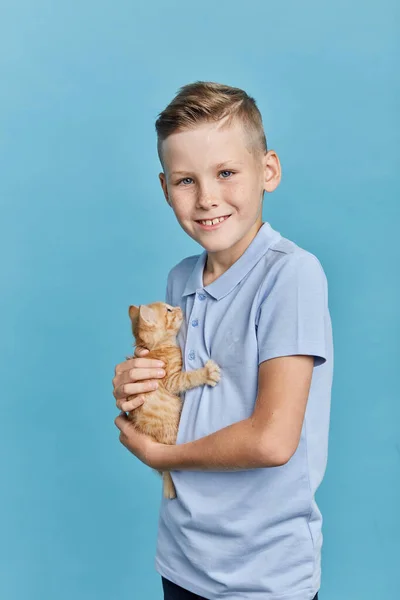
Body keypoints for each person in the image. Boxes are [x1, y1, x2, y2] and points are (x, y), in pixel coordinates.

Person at [113, 81, 333, 600]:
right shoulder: (179, 281)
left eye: (227, 173)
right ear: (165, 188)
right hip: (184, 556)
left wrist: (162, 458)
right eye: (186, 180)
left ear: (269, 171)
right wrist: (135, 391)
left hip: (263, 576)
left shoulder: (292, 276)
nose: (207, 197)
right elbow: (186, 399)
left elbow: (271, 440)